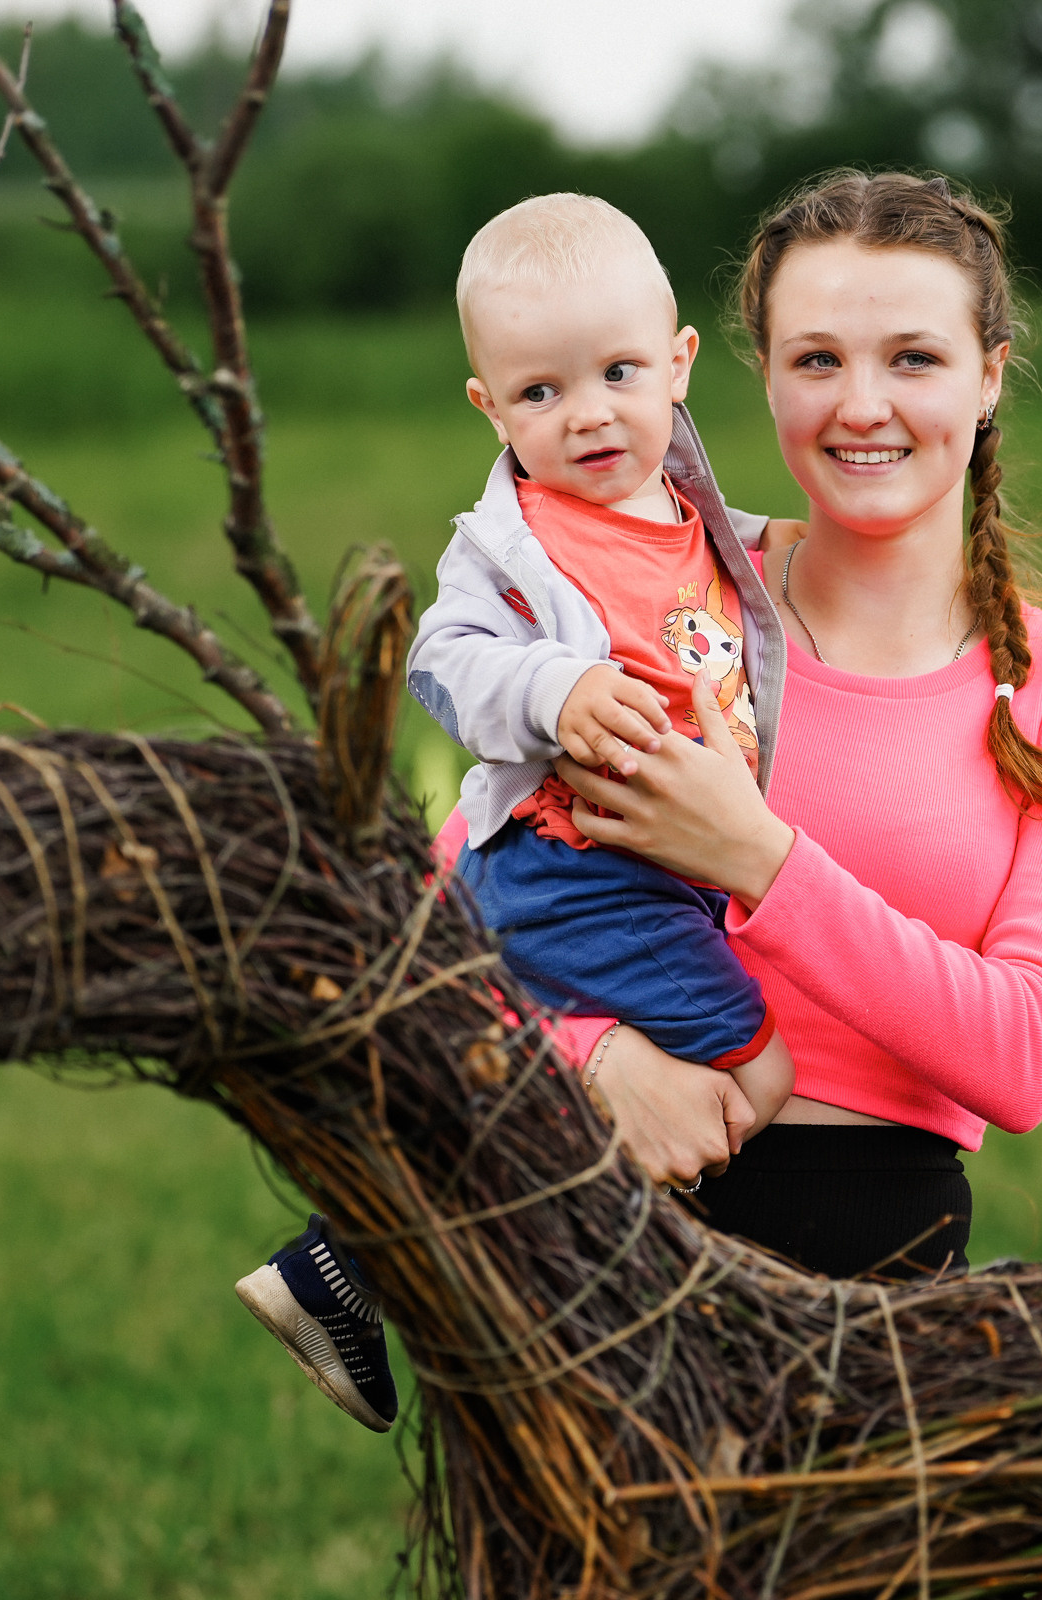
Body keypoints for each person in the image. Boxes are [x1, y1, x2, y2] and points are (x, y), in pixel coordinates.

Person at [233, 194, 796, 1433]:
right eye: (540, 393)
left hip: (657, 876)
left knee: (668, 1092)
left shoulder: (694, 520)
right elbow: (444, 660)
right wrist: (558, 685)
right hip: (572, 872)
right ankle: (455, 1262)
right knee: (756, 1078)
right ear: (489, 407)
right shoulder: (515, 543)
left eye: (617, 373)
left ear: (679, 364)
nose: (588, 411)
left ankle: (369, 1261)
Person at [550, 169, 1042, 1282]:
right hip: (586, 1221)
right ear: (763, 378)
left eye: (914, 358)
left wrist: (753, 858)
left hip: (875, 1255)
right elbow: (460, 900)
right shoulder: (661, 601)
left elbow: (1024, 1057)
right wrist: (587, 1057)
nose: (862, 405)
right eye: (817, 358)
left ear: (989, 379)